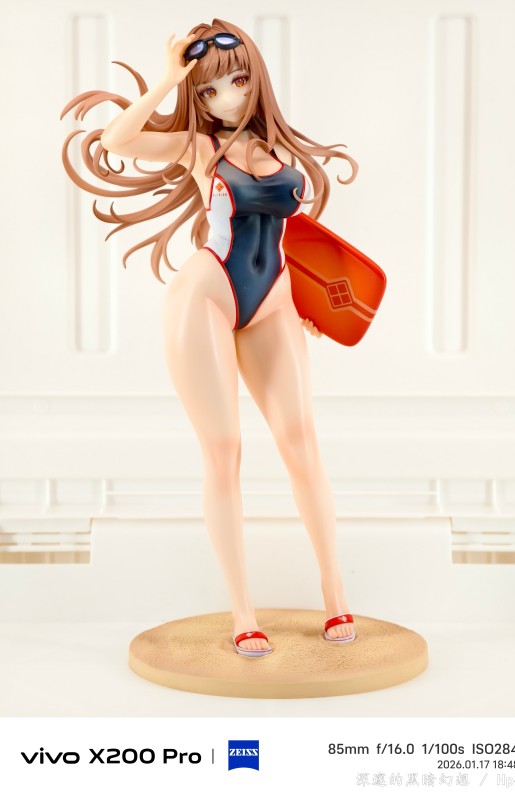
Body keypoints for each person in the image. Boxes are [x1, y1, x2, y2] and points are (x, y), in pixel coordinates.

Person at [62, 18, 359, 658]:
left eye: (239, 80)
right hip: (207, 293)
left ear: (257, 79)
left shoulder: (282, 149)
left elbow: (298, 238)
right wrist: (168, 79)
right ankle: (243, 612)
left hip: (275, 299)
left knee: (302, 443)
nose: (226, 98)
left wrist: (313, 301)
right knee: (224, 450)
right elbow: (117, 139)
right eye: (208, 91)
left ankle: (336, 592)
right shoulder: (199, 147)